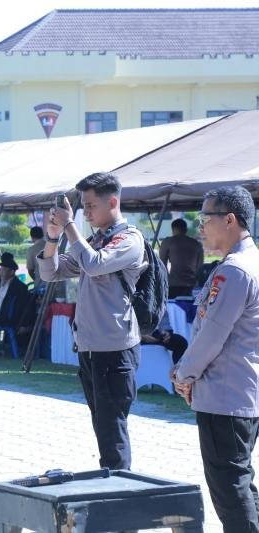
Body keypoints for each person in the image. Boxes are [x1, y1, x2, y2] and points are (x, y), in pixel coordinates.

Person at [38, 171, 147, 470]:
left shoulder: (129, 239)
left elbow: (94, 264)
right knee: (102, 425)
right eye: (82, 207)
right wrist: (53, 236)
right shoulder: (94, 240)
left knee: (112, 429)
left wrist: (70, 225)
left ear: (112, 202)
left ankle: (118, 490)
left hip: (115, 348)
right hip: (90, 347)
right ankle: (110, 484)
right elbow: (51, 272)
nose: (85, 212)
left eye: (89, 206)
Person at [170, 185, 259, 532]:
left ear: (231, 220)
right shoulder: (247, 263)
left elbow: (212, 335)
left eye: (206, 218)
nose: (201, 227)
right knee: (240, 480)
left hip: (225, 393)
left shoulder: (235, 270)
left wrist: (184, 374)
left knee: (230, 488)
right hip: (242, 390)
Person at [159, 218, 204, 299]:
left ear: (173, 229)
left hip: (173, 284)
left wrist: (167, 280)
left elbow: (162, 264)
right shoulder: (196, 244)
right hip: (192, 285)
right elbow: (200, 267)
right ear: (186, 230)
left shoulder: (168, 242)